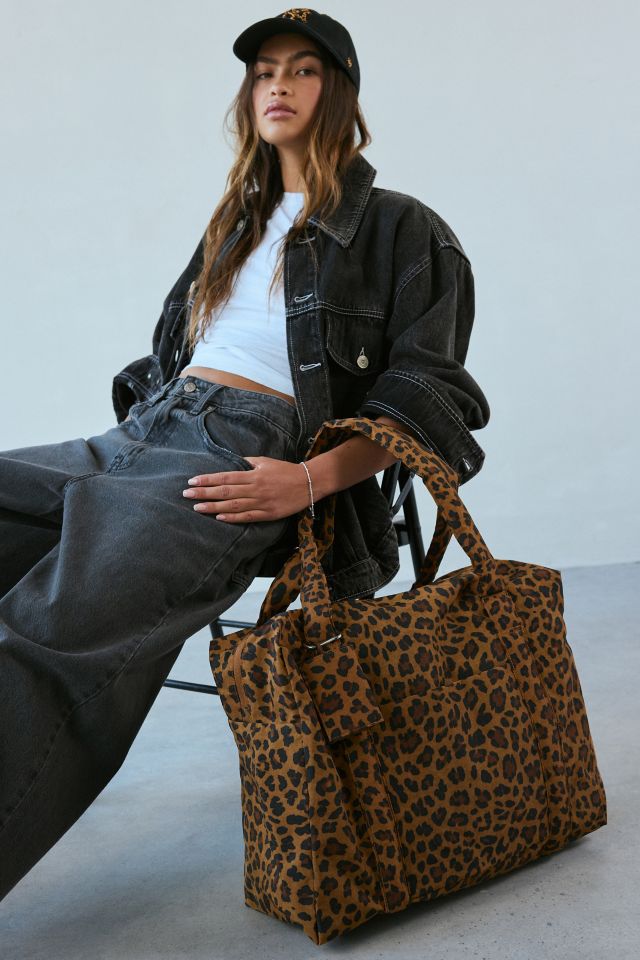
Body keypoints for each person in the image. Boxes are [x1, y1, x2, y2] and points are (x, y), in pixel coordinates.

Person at [0, 9, 490, 900]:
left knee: (52, 624)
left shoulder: (402, 228)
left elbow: (429, 397)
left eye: (303, 69)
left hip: (246, 456)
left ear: (339, 93)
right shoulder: (233, 224)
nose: (278, 85)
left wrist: (308, 480)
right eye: (265, 71)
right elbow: (167, 360)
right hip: (143, 437)